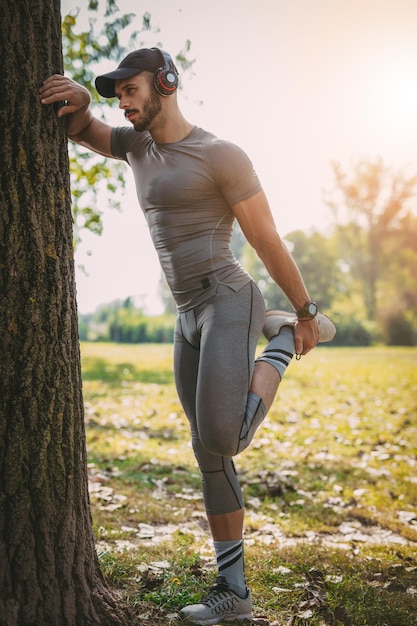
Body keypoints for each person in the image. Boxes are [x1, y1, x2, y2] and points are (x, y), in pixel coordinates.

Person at [40, 48, 335, 625]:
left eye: (131, 91)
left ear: (167, 84)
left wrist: (304, 312)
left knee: (223, 437)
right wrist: (76, 103)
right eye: (117, 94)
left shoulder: (221, 155)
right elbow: (84, 129)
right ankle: (235, 595)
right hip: (187, 314)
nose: (122, 103)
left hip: (227, 298)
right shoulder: (135, 145)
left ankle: (275, 343)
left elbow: (268, 239)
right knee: (207, 452)